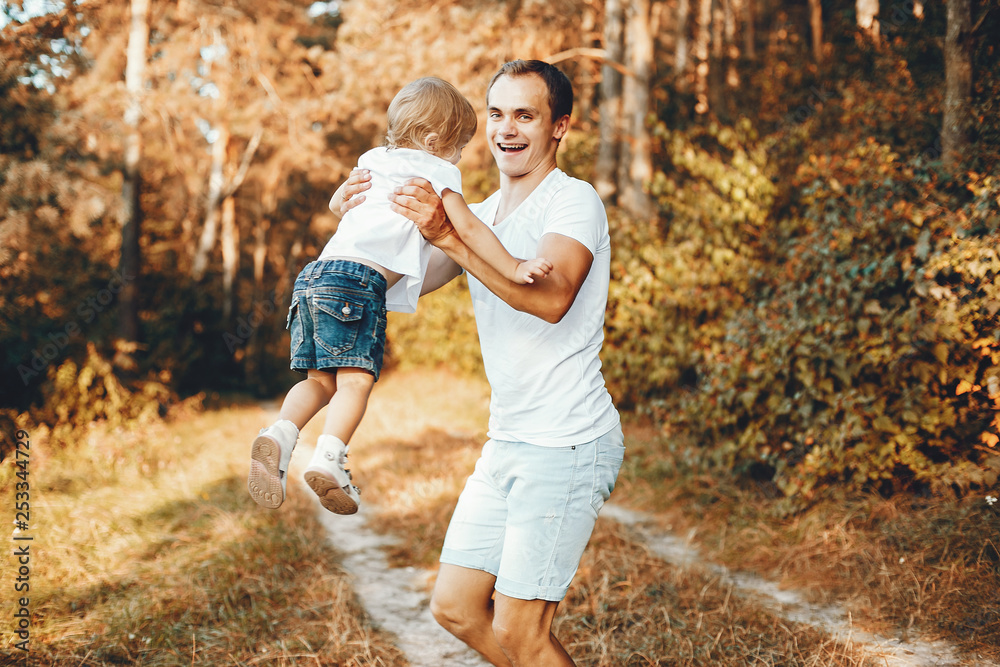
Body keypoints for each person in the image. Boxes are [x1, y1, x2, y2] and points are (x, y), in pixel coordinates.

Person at [342, 59, 624, 666]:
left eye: (526, 115)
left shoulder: (573, 202)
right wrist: (353, 219)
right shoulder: (482, 213)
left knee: (521, 634)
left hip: (567, 440)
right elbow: (399, 281)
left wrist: (449, 236)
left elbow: (550, 300)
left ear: (559, 127)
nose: (507, 129)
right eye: (496, 114)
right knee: (458, 608)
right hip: (508, 441)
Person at [247, 76, 553, 516]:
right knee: (355, 382)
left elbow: (348, 209)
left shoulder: (372, 159)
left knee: (318, 381)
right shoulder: (436, 170)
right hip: (356, 283)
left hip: (313, 277)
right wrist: (514, 266)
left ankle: (279, 435)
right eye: (458, 146)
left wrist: (335, 205)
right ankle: (329, 459)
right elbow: (467, 229)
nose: (460, 156)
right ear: (432, 141)